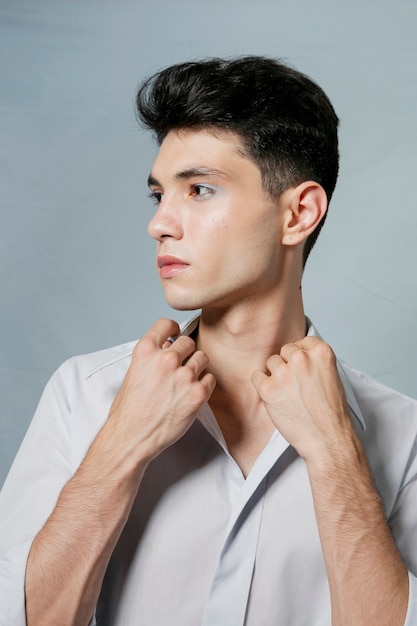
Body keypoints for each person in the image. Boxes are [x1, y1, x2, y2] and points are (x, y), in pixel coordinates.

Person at [0, 56, 416, 626]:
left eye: (198, 189)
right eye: (158, 195)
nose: (160, 223)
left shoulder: (402, 432)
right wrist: (121, 445)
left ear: (299, 213)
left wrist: (336, 456)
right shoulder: (86, 393)